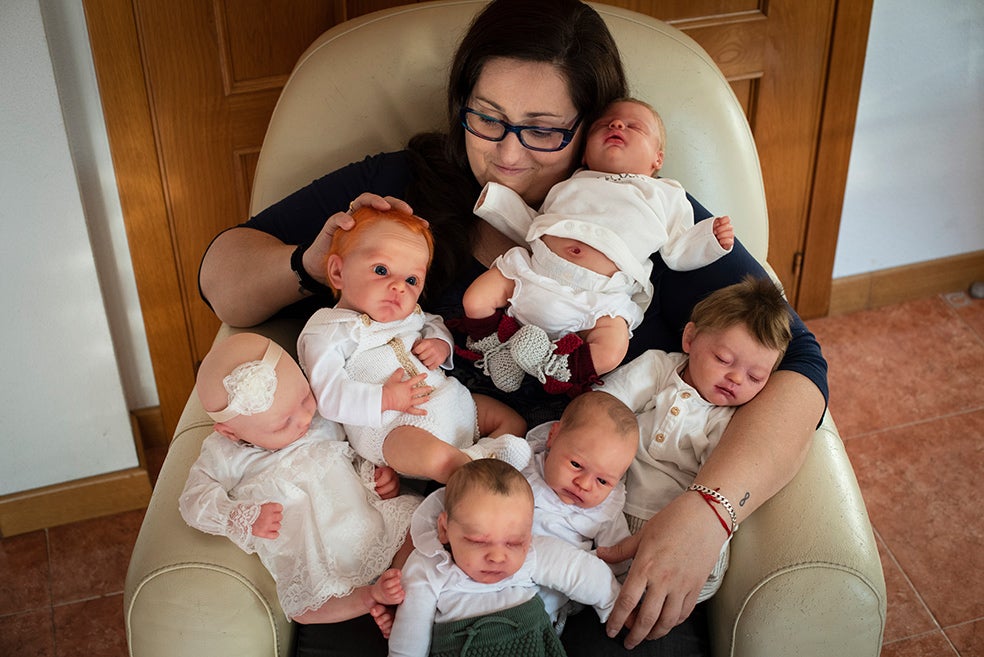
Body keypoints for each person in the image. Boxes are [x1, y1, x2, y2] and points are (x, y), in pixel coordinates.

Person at [198, 0, 828, 653]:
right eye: (487, 119)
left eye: (542, 129)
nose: (506, 153)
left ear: (593, 128)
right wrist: (308, 260)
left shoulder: (642, 215)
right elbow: (222, 277)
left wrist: (709, 511)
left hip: (597, 537)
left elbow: (801, 366)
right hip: (420, 529)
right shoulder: (402, 188)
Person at [456, 97, 734, 396]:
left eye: (634, 127)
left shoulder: (665, 195)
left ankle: (558, 369)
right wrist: (497, 203)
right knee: (475, 299)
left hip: (599, 297)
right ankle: (495, 348)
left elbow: (677, 252)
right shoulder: (570, 183)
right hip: (536, 272)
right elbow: (535, 226)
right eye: (604, 125)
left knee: (612, 349)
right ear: (585, 155)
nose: (616, 125)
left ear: (657, 159)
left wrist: (710, 239)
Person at [178, 332, 419, 636]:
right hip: (313, 553)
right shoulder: (225, 454)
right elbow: (192, 501)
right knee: (305, 609)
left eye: (305, 397)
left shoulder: (322, 414)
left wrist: (375, 477)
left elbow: (351, 454)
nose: (305, 418)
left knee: (417, 522)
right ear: (231, 433)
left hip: (364, 520)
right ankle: (371, 598)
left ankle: (404, 598)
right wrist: (240, 516)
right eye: (282, 424)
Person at [296, 206, 530, 484]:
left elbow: (435, 322)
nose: (399, 287)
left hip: (451, 402)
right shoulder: (327, 330)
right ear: (338, 271)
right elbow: (328, 397)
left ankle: (475, 457)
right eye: (381, 270)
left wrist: (440, 344)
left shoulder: (412, 315)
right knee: (435, 458)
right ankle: (472, 477)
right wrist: (386, 399)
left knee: (513, 423)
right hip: (394, 426)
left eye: (411, 280)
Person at [596, 275, 792, 602]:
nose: (735, 378)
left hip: (676, 531)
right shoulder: (659, 369)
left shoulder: (731, 420)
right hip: (613, 505)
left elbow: (720, 483)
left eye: (756, 377)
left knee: (667, 588)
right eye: (723, 360)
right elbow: (605, 405)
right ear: (690, 338)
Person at [388, 458, 622, 657]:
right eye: (478, 541)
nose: (498, 557)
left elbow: (582, 572)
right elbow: (410, 633)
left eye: (514, 543)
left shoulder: (533, 553)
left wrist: (616, 607)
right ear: (445, 529)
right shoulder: (430, 566)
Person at [520, 391, 638, 632]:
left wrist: (583, 564)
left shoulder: (606, 510)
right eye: (576, 465)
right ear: (553, 437)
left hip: (542, 605)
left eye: (603, 481)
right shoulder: (522, 461)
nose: (584, 484)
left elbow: (617, 560)